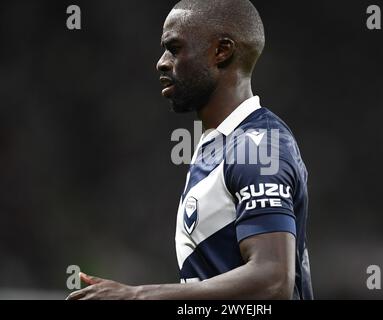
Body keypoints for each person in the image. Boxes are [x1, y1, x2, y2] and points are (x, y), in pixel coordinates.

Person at [67, 0, 312, 300]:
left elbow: (273, 281)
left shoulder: (256, 147)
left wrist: (138, 296)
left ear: (222, 51)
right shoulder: (217, 145)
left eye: (174, 48)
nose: (161, 62)